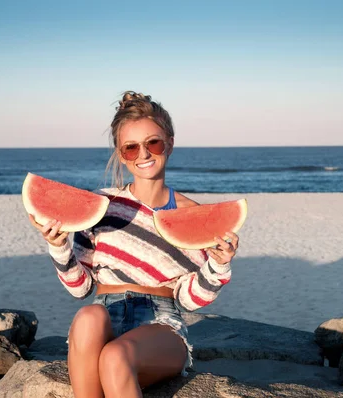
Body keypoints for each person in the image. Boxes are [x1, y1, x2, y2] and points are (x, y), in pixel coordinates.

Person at [28, 91, 239, 398]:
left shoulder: (193, 215)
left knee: (115, 356)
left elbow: (191, 301)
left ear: (170, 142)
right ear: (120, 152)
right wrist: (58, 246)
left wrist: (219, 264)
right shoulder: (102, 206)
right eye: (131, 147)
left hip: (161, 324)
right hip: (102, 316)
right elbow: (81, 289)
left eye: (153, 143)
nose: (144, 154)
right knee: (88, 316)